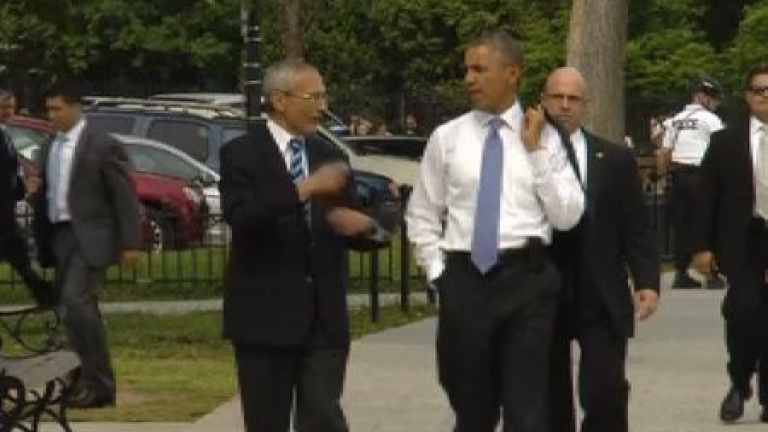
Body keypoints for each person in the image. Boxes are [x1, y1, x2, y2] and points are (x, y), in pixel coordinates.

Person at [405, 30, 584, 431]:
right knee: (470, 404)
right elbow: (423, 212)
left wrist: (536, 152)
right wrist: (438, 273)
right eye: (467, 69)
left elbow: (568, 216)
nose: (469, 79)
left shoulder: (546, 135)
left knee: (527, 409)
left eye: (480, 69)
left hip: (526, 281)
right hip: (465, 280)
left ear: (512, 73)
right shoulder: (447, 138)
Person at [219, 59, 384, 432]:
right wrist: (304, 189)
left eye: (324, 97)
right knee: (266, 422)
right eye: (314, 97)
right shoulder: (241, 154)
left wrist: (367, 229)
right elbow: (244, 218)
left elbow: (347, 220)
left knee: (323, 417)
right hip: (265, 317)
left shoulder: (329, 156)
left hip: (323, 318)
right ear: (280, 100)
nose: (322, 107)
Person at [542, 67, 660, 432]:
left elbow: (636, 226)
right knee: (548, 393)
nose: (565, 105)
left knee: (606, 387)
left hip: (601, 290)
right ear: (543, 101)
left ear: (585, 104)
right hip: (543, 287)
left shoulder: (615, 159)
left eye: (573, 98)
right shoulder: (526, 155)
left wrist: (646, 281)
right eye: (557, 97)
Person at [30, 83, 142, 409]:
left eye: (57, 109)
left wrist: (130, 241)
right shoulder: (50, 145)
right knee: (71, 311)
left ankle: (100, 385)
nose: (51, 115)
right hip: (59, 235)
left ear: (76, 107)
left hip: (92, 236)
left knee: (76, 301)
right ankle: (76, 378)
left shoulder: (101, 144)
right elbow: (48, 190)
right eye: (48, 110)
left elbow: (123, 194)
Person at [692, 64, 768, 423]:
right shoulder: (725, 141)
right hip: (744, 238)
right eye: (758, 90)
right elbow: (706, 196)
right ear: (748, 95)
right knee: (742, 311)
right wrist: (701, 247)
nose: (765, 96)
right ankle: (739, 381)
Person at [658, 75, 726, 289]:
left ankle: (681, 273)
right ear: (702, 97)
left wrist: (660, 176)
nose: (716, 104)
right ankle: (711, 274)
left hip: (678, 176)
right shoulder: (711, 119)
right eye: (714, 99)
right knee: (707, 224)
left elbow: (665, 153)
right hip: (701, 176)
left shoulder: (676, 120)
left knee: (682, 226)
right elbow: (722, 148)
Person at [0, 96, 55, 307]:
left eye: (11, 107)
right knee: (20, 256)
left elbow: (9, 174)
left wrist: (21, 190)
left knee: (20, 256)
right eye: (3, 107)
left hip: (6, 211)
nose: (8, 111)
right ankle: (46, 295)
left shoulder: (5, 133)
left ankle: (46, 295)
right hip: (3, 213)